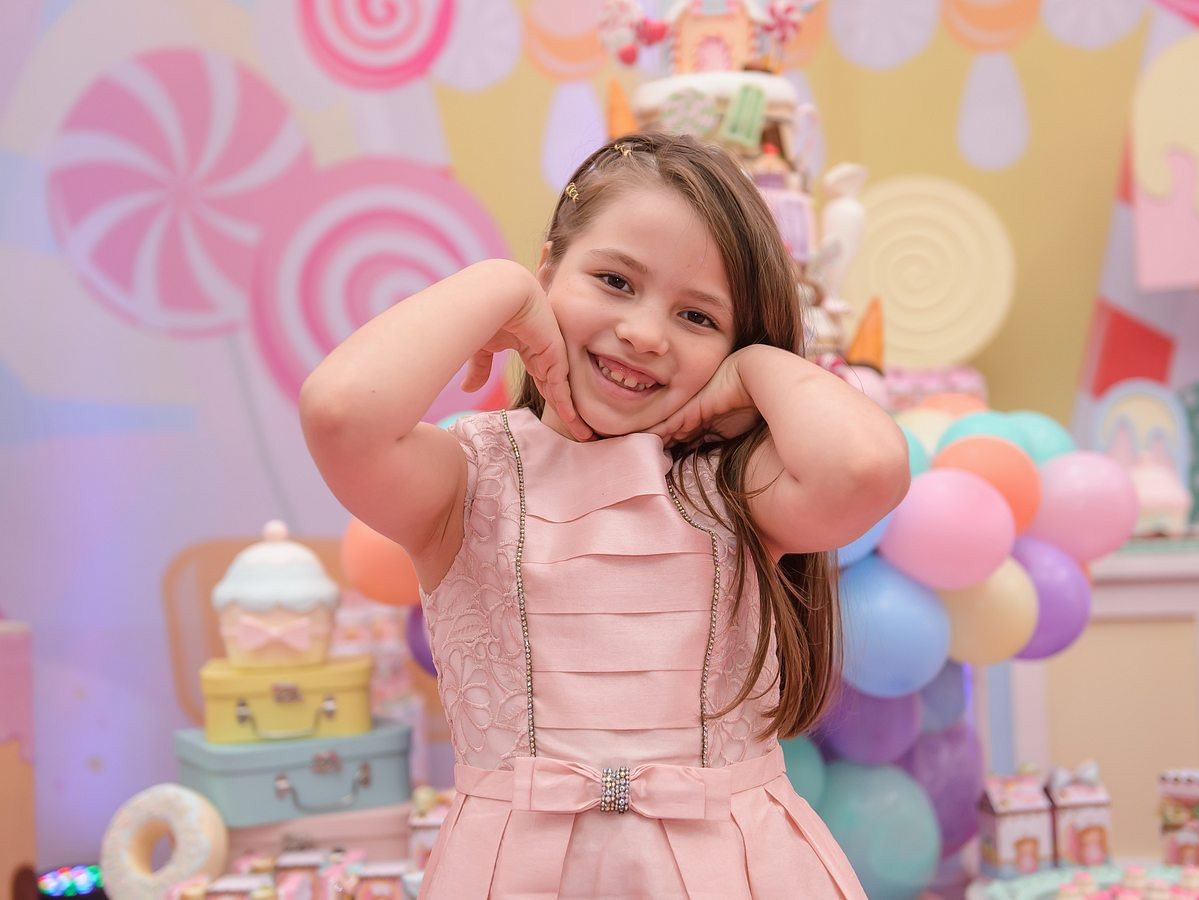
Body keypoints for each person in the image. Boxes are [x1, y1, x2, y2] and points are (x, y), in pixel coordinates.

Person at [300, 131, 909, 898]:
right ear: (550, 272)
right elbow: (341, 414)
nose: (645, 334)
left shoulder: (734, 485)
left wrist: (759, 369)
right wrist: (496, 287)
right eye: (615, 280)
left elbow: (865, 470)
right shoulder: (468, 481)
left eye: (698, 317)